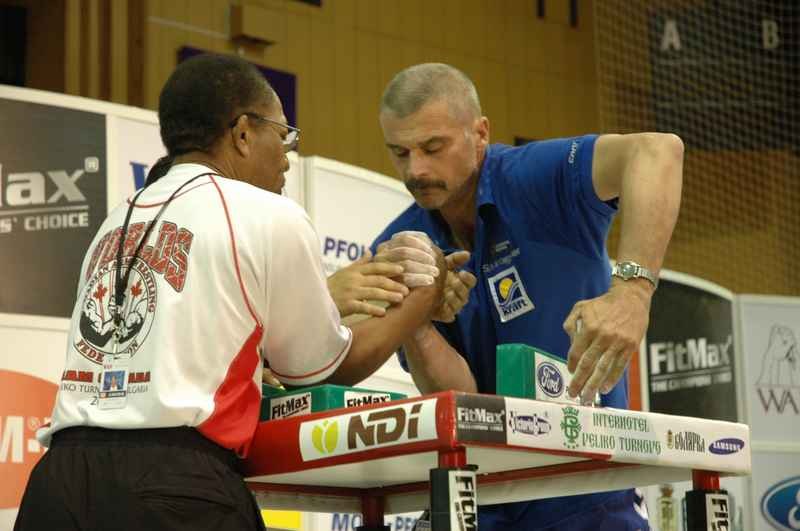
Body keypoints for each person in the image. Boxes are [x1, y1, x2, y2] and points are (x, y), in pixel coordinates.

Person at [14, 54, 447, 531]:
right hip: (172, 487)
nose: (287, 156)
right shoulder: (264, 212)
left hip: (57, 485)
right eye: (283, 137)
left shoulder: (117, 218)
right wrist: (421, 301)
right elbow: (324, 368)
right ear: (243, 134)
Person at [371, 63, 683, 530]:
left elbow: (658, 151)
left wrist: (632, 293)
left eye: (434, 147)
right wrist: (418, 321)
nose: (416, 169)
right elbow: (460, 399)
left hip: (587, 486)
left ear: (480, 133)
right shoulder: (401, 243)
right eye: (400, 152)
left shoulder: (535, 177)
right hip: (483, 496)